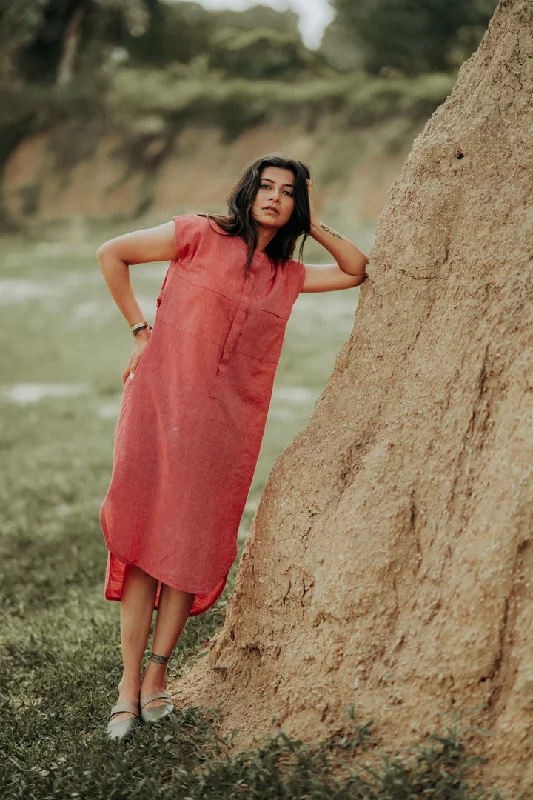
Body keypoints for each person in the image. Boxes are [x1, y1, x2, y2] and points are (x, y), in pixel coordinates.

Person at [97, 154, 368, 740]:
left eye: (288, 192)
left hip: (227, 427)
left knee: (192, 544)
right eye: (266, 186)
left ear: (298, 203)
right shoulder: (198, 234)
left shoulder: (287, 275)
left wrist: (312, 222)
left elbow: (354, 269)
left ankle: (157, 677)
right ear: (247, 191)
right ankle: (126, 686)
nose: (274, 197)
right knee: (145, 537)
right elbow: (111, 254)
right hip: (160, 407)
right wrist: (142, 332)